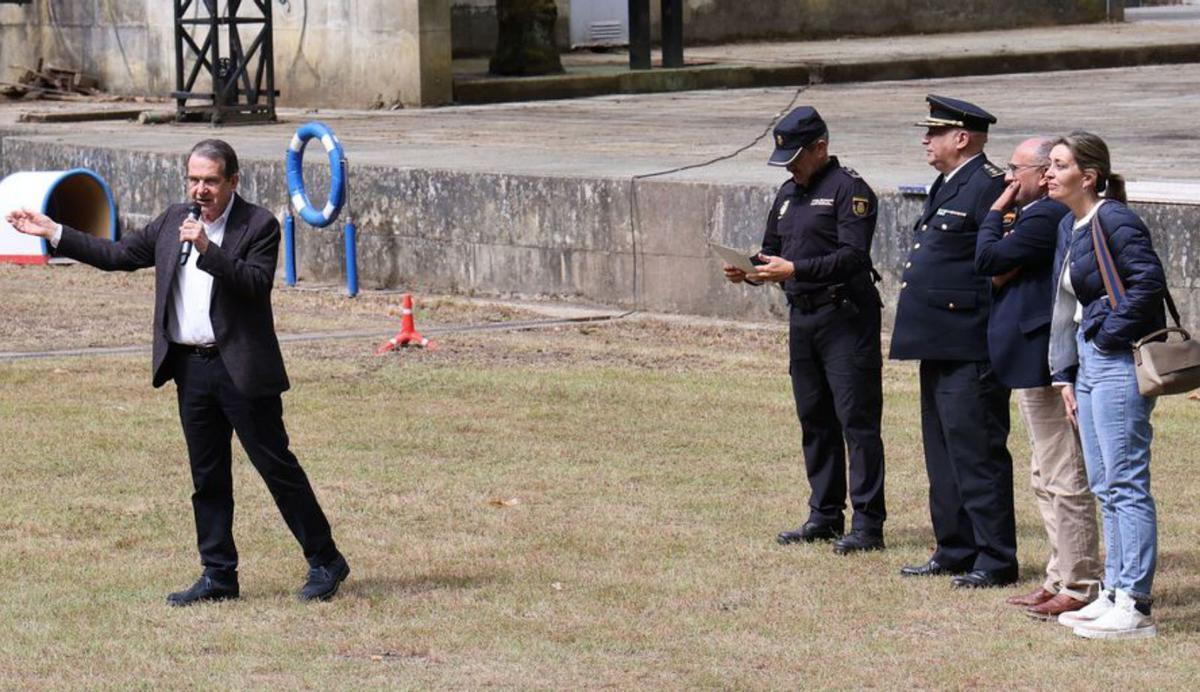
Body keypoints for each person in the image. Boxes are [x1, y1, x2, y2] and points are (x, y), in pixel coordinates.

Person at [5, 139, 350, 606]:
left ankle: (326, 559)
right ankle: (218, 574)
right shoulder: (172, 221)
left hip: (241, 371)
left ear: (232, 181)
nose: (200, 189)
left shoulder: (259, 225)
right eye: (193, 179)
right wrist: (55, 231)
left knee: (275, 467)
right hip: (191, 368)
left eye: (210, 180)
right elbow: (119, 255)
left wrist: (208, 248)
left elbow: (253, 284)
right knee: (207, 477)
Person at [724, 106, 886, 555]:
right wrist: (751, 270)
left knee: (857, 422)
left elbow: (854, 256)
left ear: (821, 147)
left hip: (845, 316)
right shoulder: (786, 193)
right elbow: (772, 249)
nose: (792, 168)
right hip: (804, 317)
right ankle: (825, 515)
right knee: (814, 418)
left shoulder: (850, 191)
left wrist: (795, 268)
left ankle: (868, 524)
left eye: (797, 158)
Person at [891, 95, 1018, 588]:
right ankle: (954, 548)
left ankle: (995, 558)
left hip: (970, 342)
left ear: (961, 137)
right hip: (937, 341)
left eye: (934, 132)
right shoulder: (948, 183)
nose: (926, 139)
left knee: (977, 452)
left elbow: (1003, 261)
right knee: (941, 453)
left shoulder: (989, 186)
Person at [974, 137, 1101, 618]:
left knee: (1064, 474)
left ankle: (1080, 581)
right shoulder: (1041, 214)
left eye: (1015, 169)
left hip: (1046, 362)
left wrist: (997, 209)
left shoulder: (1046, 215)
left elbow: (987, 261)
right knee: (1044, 475)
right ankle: (1058, 575)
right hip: (1031, 361)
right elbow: (992, 270)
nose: (1010, 178)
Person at [1045, 131, 1165, 639]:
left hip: (1117, 360)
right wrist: (1068, 372)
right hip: (1090, 364)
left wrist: (1107, 336)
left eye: (1058, 165)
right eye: (1048, 165)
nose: (1048, 173)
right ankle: (1113, 591)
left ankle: (1134, 604)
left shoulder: (1113, 217)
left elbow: (1147, 283)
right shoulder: (1070, 225)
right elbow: (1066, 308)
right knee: (1103, 483)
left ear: (1087, 176)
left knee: (1125, 481)